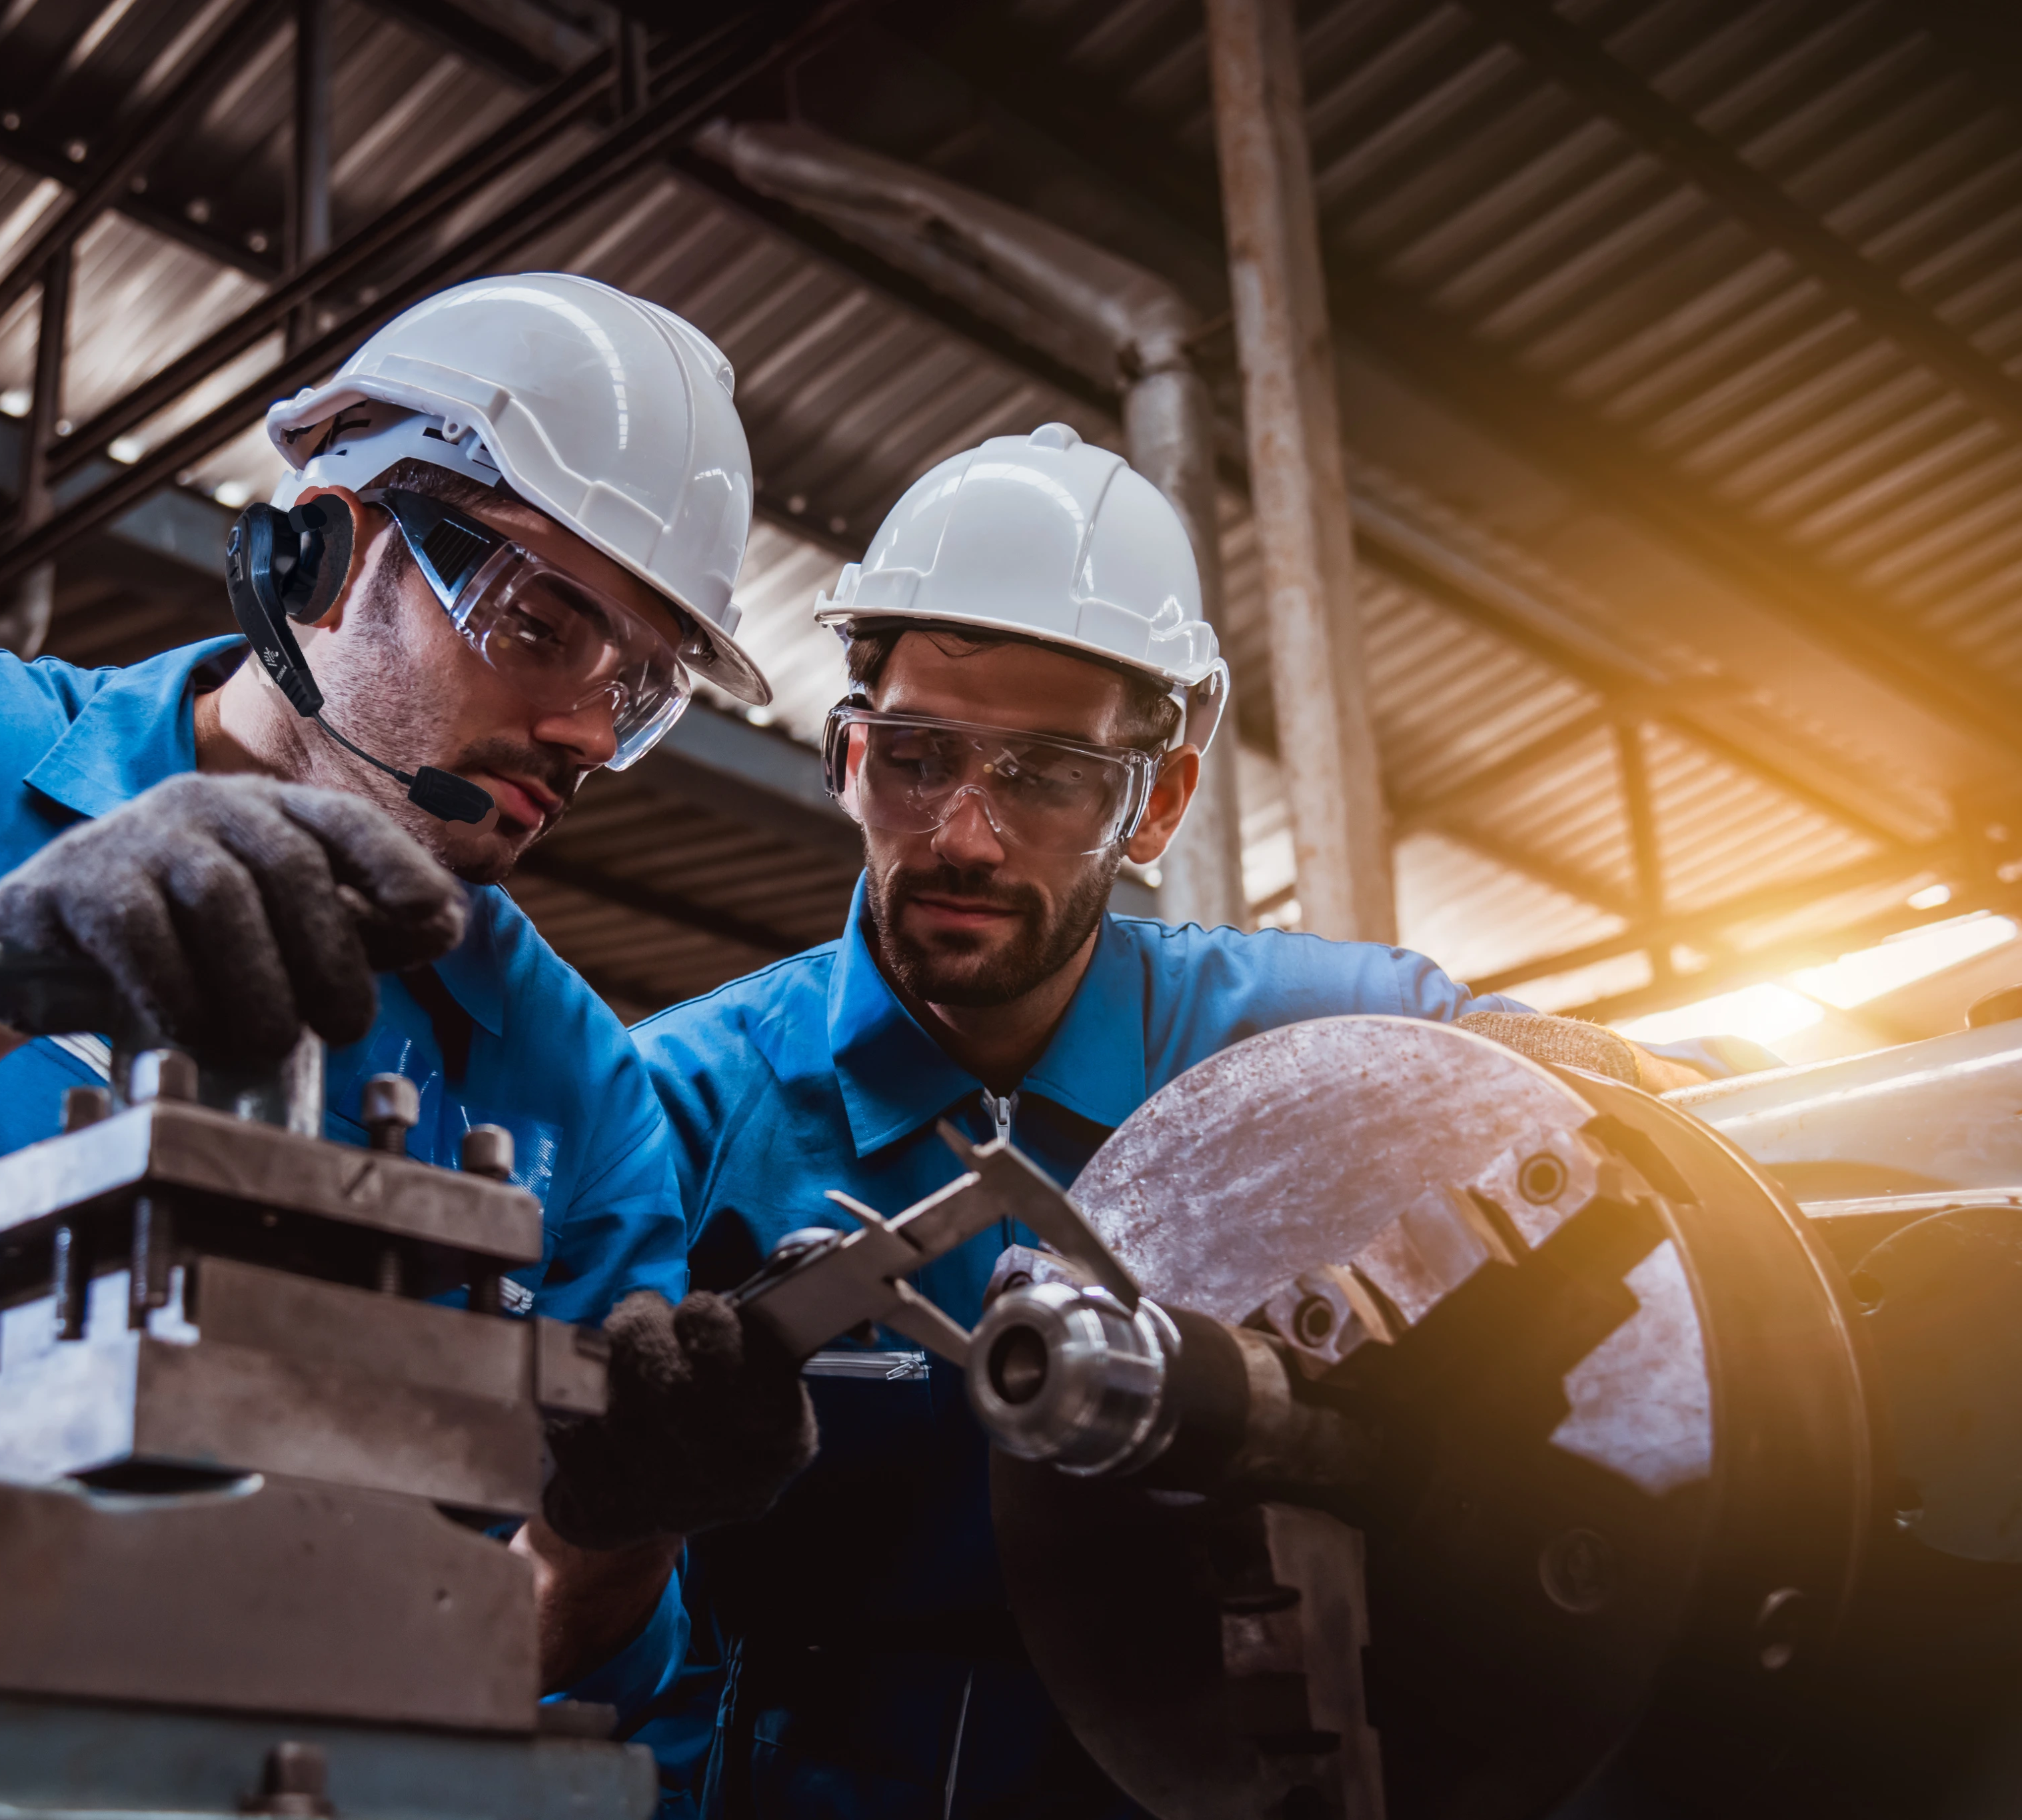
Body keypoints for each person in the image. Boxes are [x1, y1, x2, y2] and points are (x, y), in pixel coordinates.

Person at [0, 271, 809, 1699]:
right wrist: (5, 949)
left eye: (639, 692)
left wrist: (618, 1527)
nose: (581, 734)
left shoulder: (576, 1088)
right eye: (539, 627)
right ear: (326, 552)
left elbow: (532, 1641)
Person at [627, 423, 1747, 1817]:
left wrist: (1606, 1082)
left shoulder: (1324, 1049)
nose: (963, 835)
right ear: (845, 755)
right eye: (916, 758)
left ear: (1152, 801)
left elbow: (1669, 1122)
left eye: (1044, 778)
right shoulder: (675, 1108)